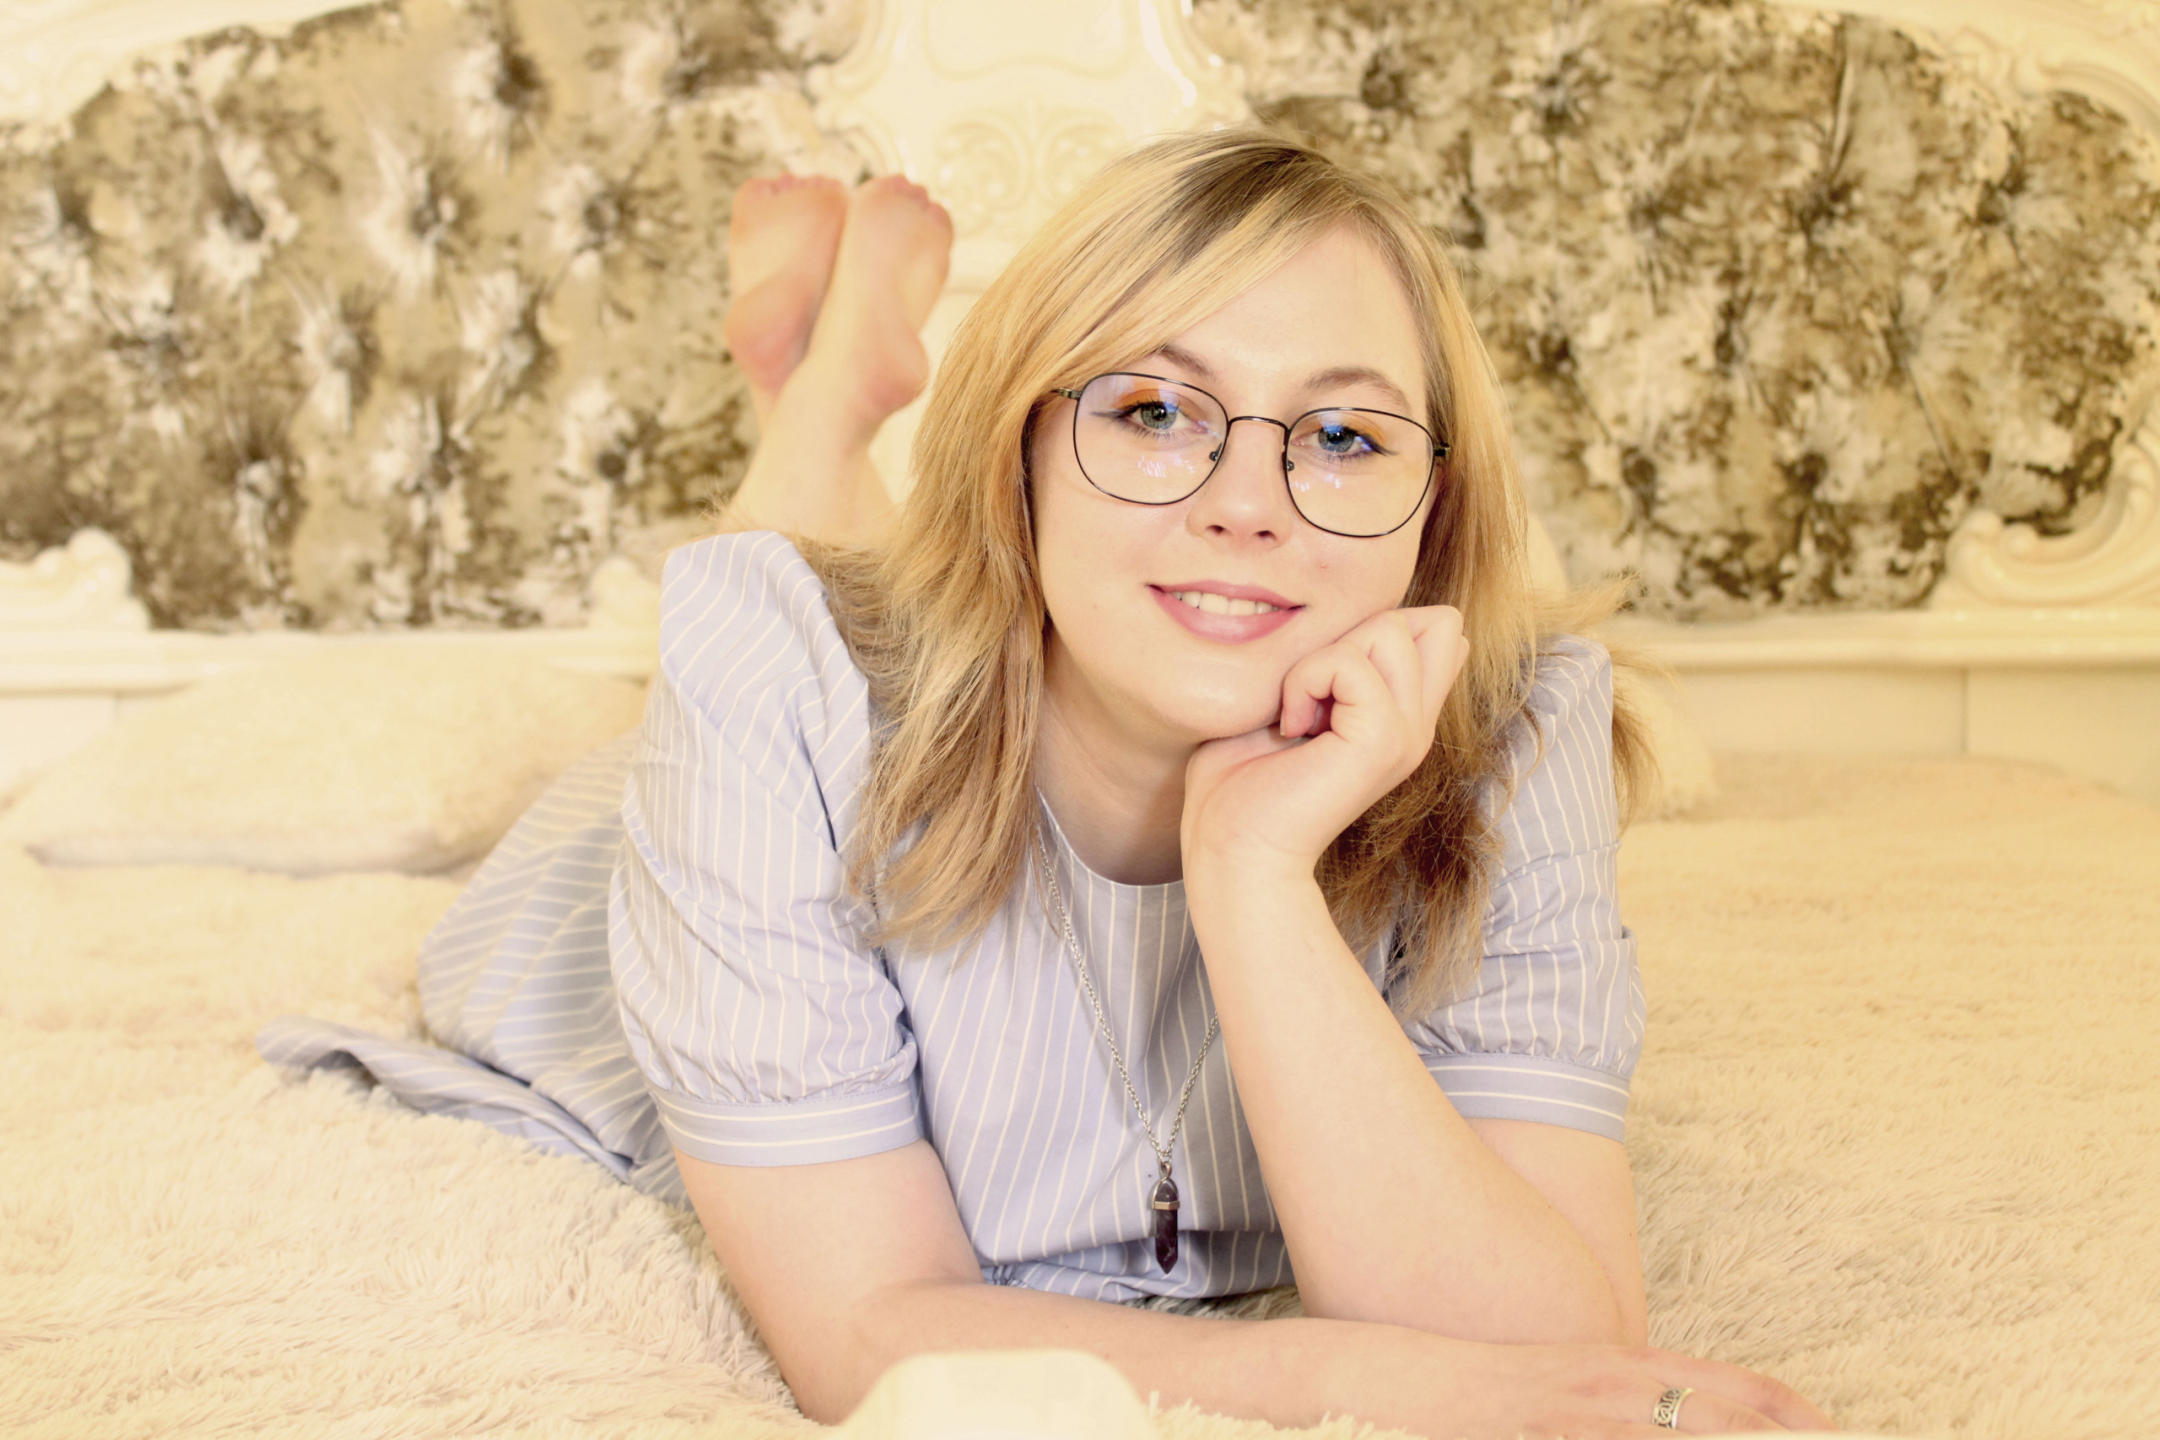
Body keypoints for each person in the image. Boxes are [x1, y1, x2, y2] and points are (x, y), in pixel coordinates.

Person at [259, 129, 1839, 1439]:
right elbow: (870, 1331)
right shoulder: (774, 693)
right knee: (809, 625)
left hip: (985, 663)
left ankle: (817, 391)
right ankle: (820, 407)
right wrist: (1380, 1387)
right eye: (1153, 412)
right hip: (700, 832)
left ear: (1437, 508)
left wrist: (1253, 875)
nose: (1249, 505)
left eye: (1345, 438)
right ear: (1013, 453)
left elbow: (1558, 1352)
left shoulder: (1516, 729)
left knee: (885, 616)